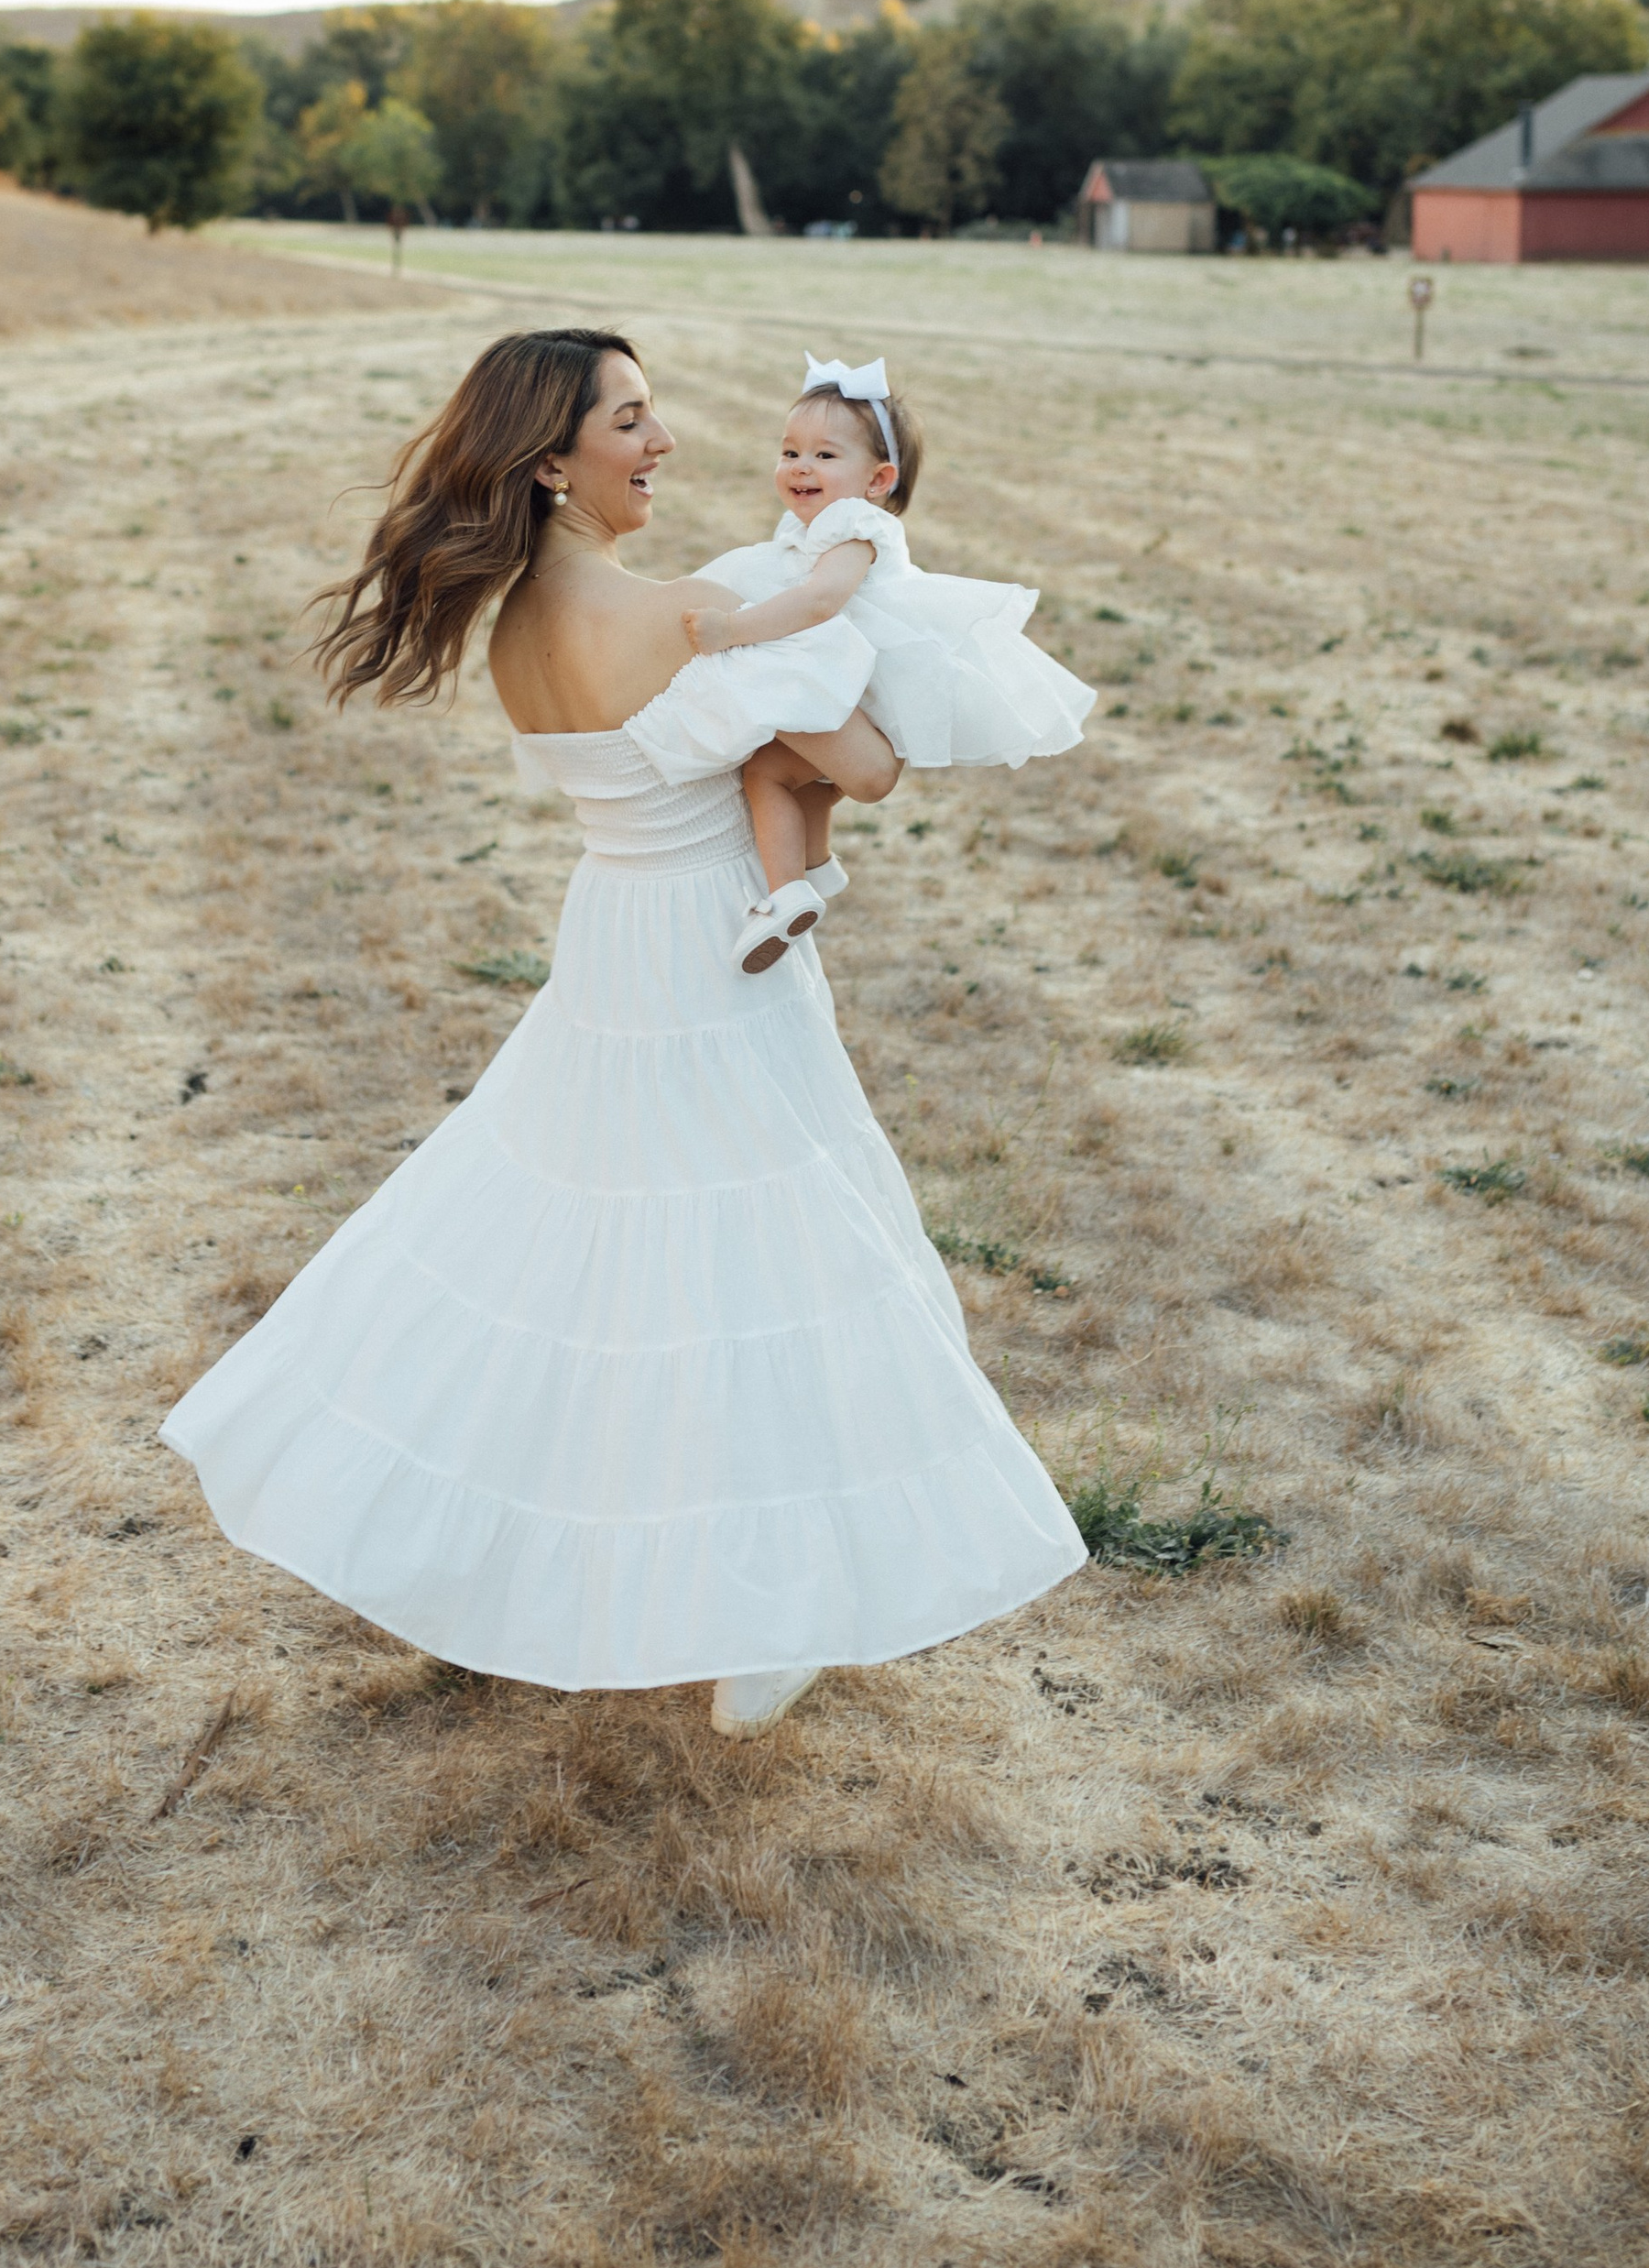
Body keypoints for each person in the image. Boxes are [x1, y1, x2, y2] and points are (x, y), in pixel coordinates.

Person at [159, 328, 1086, 1738]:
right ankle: (765, 1599)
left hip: (610, 934)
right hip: (717, 950)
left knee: (583, 1247)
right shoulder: (678, 611)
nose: (667, 446)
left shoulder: (517, 629)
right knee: (770, 1250)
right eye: (635, 422)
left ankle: (540, 1557)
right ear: (553, 461)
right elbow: (874, 771)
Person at [682, 353, 1095, 976]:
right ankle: (816, 863)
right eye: (790, 450)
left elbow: (821, 601)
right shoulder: (825, 522)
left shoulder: (852, 525)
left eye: (825, 455)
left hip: (860, 688)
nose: (800, 466)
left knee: (765, 771)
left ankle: (785, 893)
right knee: (803, 773)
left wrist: (734, 629)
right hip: (854, 687)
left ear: (878, 480)